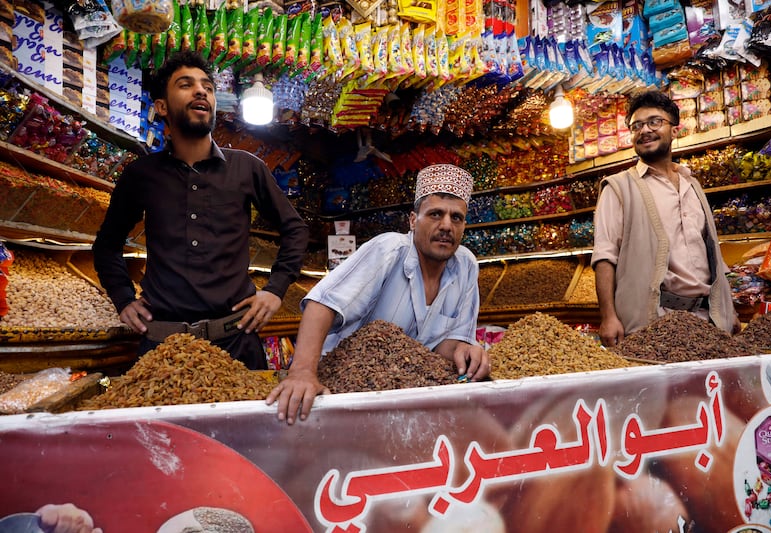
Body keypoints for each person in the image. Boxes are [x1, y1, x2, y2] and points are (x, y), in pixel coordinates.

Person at [93, 51, 309, 370]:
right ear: (162, 106)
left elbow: (296, 229)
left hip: (238, 344)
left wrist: (275, 290)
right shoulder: (141, 175)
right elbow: (106, 246)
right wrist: (123, 298)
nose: (201, 91)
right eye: (186, 84)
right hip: (162, 348)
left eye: (207, 86)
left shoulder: (247, 168)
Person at [267, 164, 492, 424]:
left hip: (405, 399)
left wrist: (466, 351)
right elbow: (322, 304)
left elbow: (445, 345)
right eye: (435, 214)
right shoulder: (389, 250)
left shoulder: (465, 265)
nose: (446, 226)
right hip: (341, 389)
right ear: (412, 220)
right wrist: (303, 372)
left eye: (456, 218)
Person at [591, 89, 740, 348]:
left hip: (708, 320)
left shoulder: (692, 184)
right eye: (636, 126)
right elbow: (605, 256)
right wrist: (609, 316)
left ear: (674, 130)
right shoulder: (618, 188)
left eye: (654, 122)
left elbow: (713, 254)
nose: (644, 130)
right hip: (655, 322)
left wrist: (728, 309)